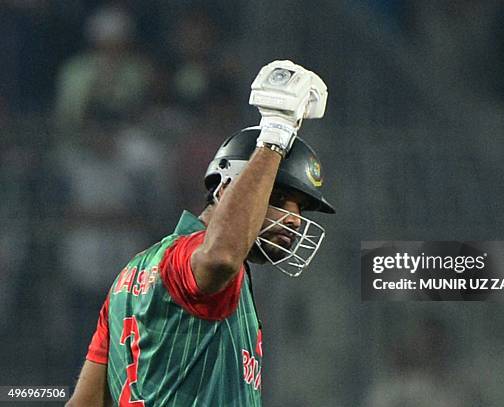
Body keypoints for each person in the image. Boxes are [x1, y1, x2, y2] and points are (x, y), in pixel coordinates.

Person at [66, 60, 334, 406]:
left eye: (300, 208)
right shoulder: (197, 258)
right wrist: (275, 135)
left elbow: (83, 403)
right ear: (225, 191)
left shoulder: (128, 277)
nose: (294, 219)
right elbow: (220, 257)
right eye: (279, 198)